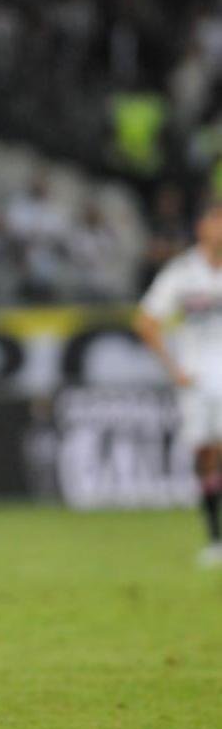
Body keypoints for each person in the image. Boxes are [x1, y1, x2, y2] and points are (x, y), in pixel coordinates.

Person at [134, 201, 222, 567]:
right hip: (197, 378)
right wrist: (173, 368)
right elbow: (146, 320)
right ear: (202, 227)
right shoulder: (182, 272)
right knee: (205, 452)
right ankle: (215, 537)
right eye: (215, 221)